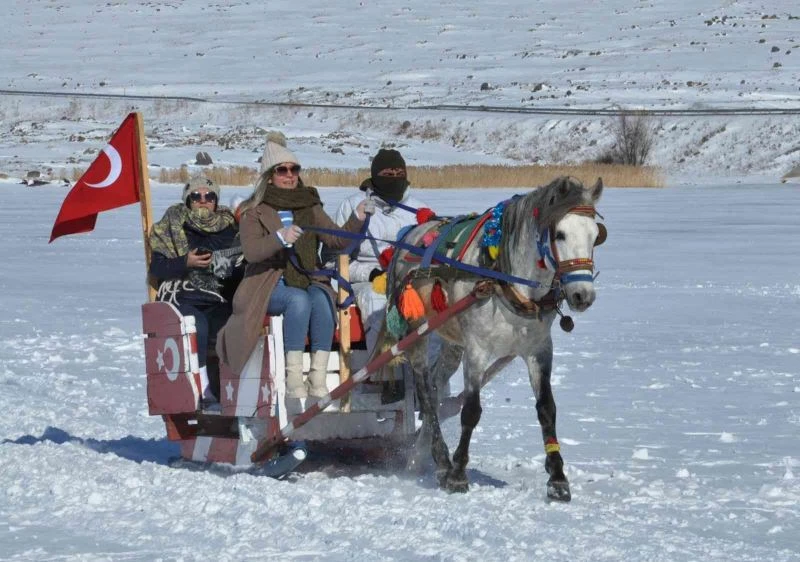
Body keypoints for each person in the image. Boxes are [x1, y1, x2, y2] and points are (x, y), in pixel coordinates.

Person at [216, 132, 373, 401]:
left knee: (323, 301)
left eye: (294, 169)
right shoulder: (254, 210)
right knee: (298, 301)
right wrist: (279, 237)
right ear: (269, 176)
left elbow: (336, 239)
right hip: (266, 283)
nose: (289, 175)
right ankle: (292, 378)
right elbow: (252, 252)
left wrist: (358, 218)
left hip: (307, 278)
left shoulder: (309, 205)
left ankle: (318, 377)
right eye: (282, 170)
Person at [149, 176, 242, 404]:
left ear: (216, 201)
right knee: (196, 325)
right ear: (188, 199)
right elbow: (158, 267)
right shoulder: (172, 224)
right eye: (196, 196)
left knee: (235, 327)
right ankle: (202, 389)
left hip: (220, 294)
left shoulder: (230, 227)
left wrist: (225, 263)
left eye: (209, 196)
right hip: (183, 293)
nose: (203, 200)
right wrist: (185, 263)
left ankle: (234, 390)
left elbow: (240, 264)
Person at [330, 148, 429, 356]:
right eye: (387, 174)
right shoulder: (352, 205)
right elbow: (334, 260)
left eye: (398, 173)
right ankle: (378, 375)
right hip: (367, 281)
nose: (394, 178)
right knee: (378, 302)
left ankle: (427, 382)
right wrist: (371, 274)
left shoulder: (419, 210)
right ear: (375, 176)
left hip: (410, 280)